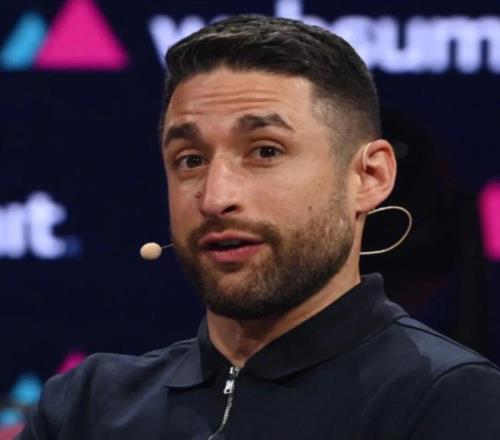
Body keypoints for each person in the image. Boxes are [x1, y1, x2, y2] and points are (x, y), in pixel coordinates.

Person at [19, 15, 500, 440]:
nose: (214, 198)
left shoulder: (447, 399)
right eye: (190, 160)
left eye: (265, 151)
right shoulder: (84, 406)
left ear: (369, 177)